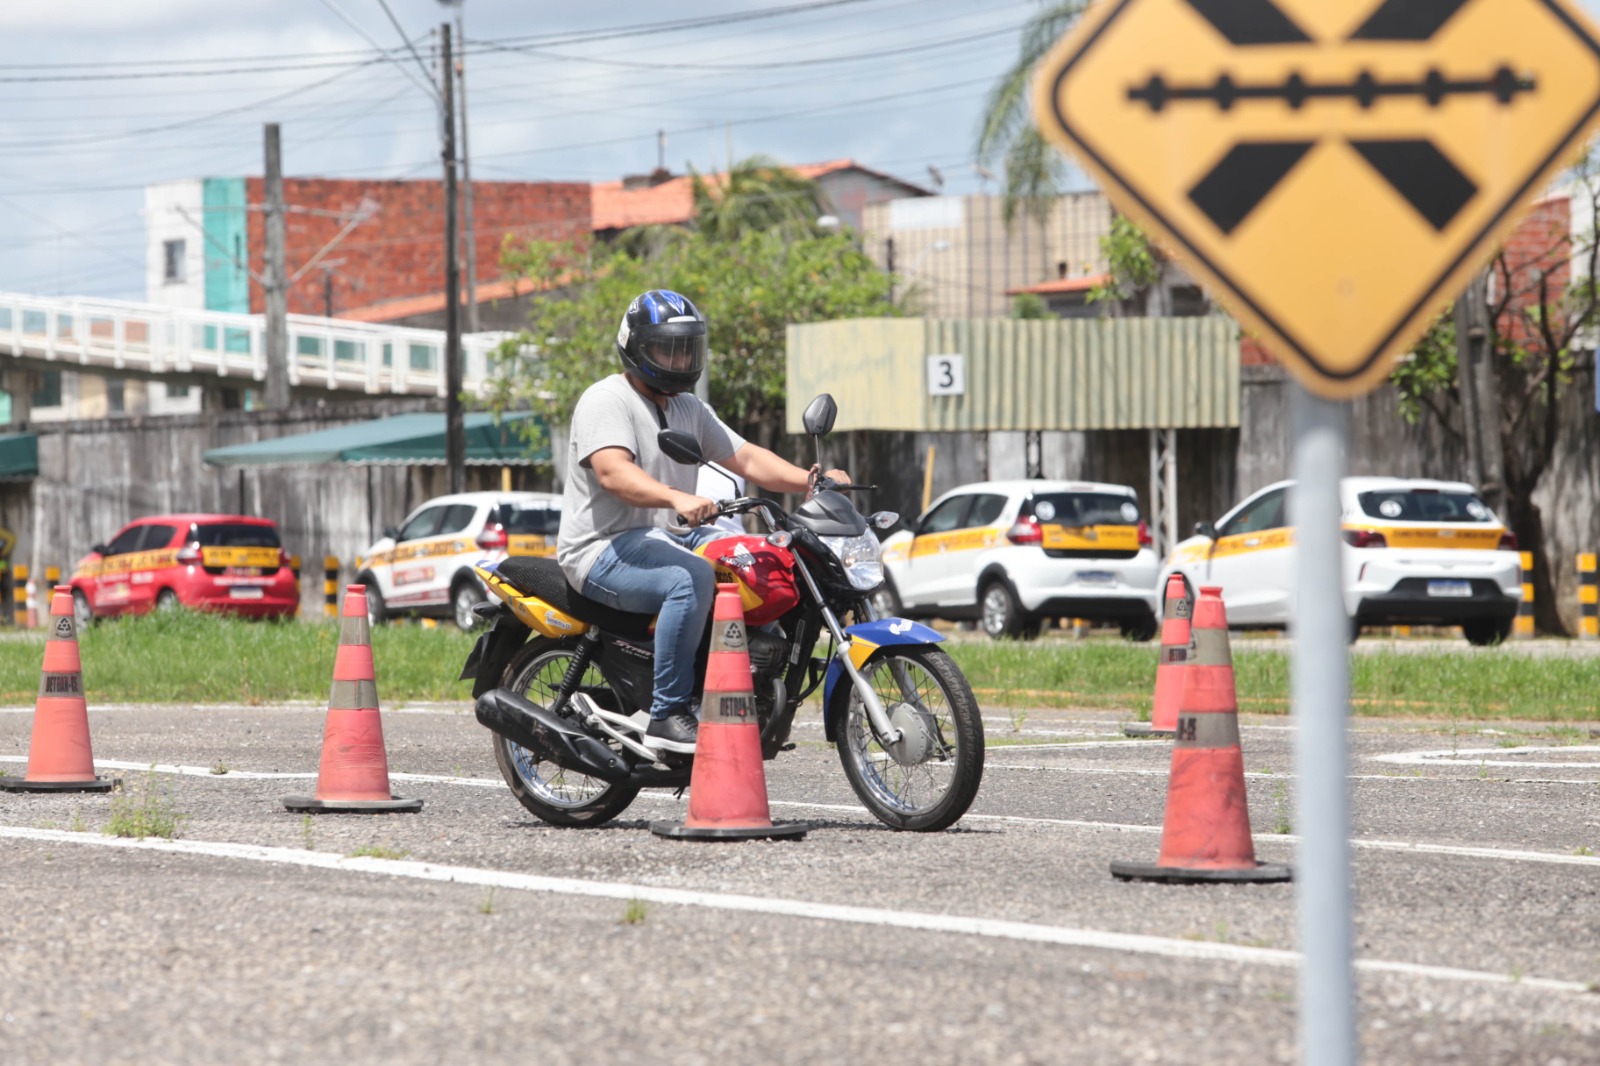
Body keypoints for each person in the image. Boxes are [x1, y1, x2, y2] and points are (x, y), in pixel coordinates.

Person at [556, 289, 849, 753]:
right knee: (690, 579)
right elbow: (613, 472)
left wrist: (811, 481)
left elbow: (747, 457)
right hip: (601, 548)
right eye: (666, 347)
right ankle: (668, 711)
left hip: (666, 537)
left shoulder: (688, 408)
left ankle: (742, 685)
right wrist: (677, 496)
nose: (678, 358)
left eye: (686, 347)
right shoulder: (605, 400)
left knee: (761, 560)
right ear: (635, 345)